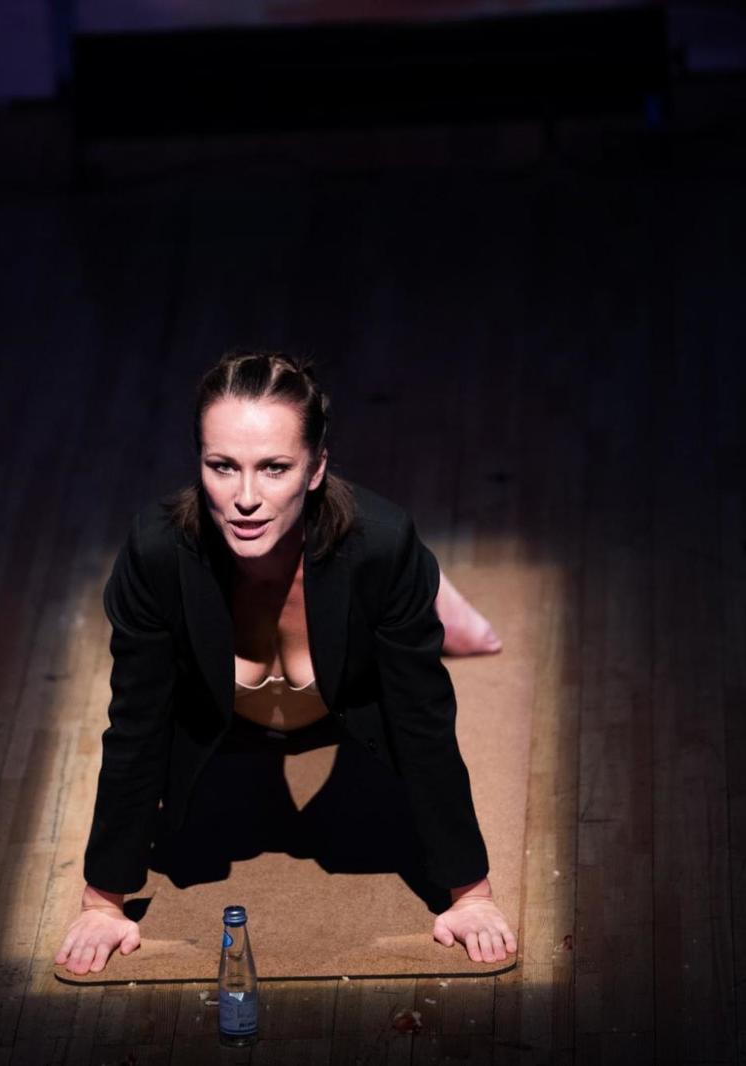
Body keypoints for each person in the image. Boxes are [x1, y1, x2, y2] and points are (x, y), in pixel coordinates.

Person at [55, 349, 516, 977]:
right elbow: (136, 725)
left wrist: (472, 895)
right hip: (228, 725)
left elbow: (423, 722)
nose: (245, 498)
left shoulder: (381, 547)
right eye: (223, 466)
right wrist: (101, 903)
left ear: (317, 467)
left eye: (274, 468)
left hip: (345, 704)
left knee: (449, 628)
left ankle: (436, 597)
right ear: (199, 464)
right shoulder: (155, 554)